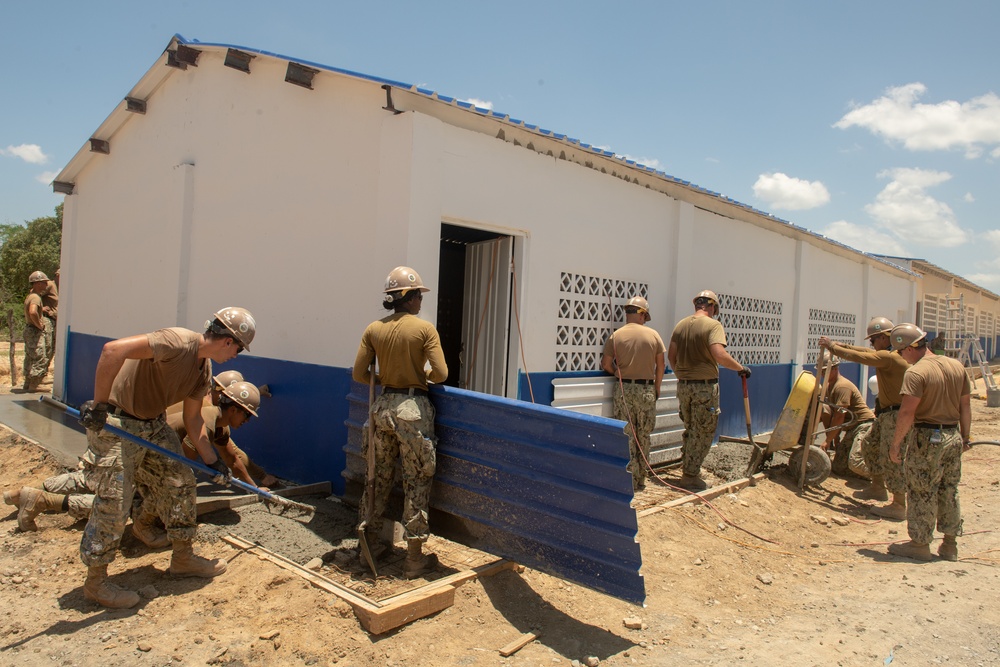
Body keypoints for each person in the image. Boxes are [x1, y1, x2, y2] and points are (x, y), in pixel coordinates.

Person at [75, 306, 256, 608]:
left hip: (153, 424)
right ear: (228, 341)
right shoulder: (176, 342)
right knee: (115, 498)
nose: (236, 355)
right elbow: (112, 351)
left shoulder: (205, 369)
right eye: (238, 348)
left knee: (180, 482)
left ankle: (183, 558)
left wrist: (212, 461)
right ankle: (96, 582)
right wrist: (99, 406)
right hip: (120, 423)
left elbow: (194, 419)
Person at [352, 266, 448, 579]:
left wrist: (386, 378)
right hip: (412, 409)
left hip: (381, 409)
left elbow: (359, 374)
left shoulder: (373, 329)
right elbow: (441, 373)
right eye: (418, 294)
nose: (421, 299)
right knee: (416, 480)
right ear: (407, 297)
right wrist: (419, 377)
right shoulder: (424, 329)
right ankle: (414, 559)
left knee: (376, 479)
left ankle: (368, 549)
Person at [886, 323, 971, 562]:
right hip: (953, 436)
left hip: (928, 438)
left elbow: (907, 413)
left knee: (922, 490)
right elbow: (965, 406)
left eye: (900, 351)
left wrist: (896, 444)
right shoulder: (956, 366)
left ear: (911, 347)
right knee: (949, 489)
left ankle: (920, 544)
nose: (901, 356)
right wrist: (966, 437)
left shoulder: (916, 373)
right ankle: (950, 544)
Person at [819, 316, 910, 517]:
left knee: (893, 456)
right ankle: (878, 488)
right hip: (884, 414)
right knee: (870, 445)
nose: (872, 344)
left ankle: (899, 504)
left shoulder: (891, 357)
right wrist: (841, 345)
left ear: (885, 338)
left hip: (895, 414)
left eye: (873, 340)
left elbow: (862, 357)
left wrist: (833, 347)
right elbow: (866, 352)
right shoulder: (887, 354)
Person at [667, 290, 750, 490]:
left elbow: (671, 356)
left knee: (690, 428)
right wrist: (741, 368)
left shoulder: (681, 325)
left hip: (684, 386)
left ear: (697, 304)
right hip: (704, 388)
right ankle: (690, 476)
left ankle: (689, 468)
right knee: (702, 432)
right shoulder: (713, 325)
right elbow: (719, 354)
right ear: (712, 307)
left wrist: (682, 375)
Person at [600, 296, 665, 492]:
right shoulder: (654, 335)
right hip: (646, 389)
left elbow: (605, 364)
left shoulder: (616, 336)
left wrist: (616, 372)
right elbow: (660, 365)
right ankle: (641, 479)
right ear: (643, 314)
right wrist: (657, 388)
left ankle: (627, 479)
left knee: (627, 434)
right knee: (643, 435)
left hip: (624, 389)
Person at [169, 381, 267, 489]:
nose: (247, 420)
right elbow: (183, 464)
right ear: (233, 410)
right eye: (247, 414)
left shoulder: (222, 427)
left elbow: (232, 460)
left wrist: (254, 489)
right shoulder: (206, 425)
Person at [817, 357, 875, 477]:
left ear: (835, 369)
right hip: (852, 428)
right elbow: (829, 413)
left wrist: (828, 441)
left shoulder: (842, 387)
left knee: (855, 462)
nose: (822, 374)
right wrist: (834, 437)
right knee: (839, 467)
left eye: (825, 371)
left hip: (864, 425)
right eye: (821, 371)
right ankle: (863, 475)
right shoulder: (829, 386)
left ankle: (879, 480)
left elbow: (839, 417)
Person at [21, 271, 51, 392]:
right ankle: (35, 385)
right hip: (34, 331)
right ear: (38, 284)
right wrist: (39, 325)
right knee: (39, 356)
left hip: (29, 330)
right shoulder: (36, 297)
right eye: (44, 283)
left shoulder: (31, 296)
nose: (46, 285)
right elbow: (33, 311)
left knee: (30, 356)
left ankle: (28, 383)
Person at [41, 271, 58, 371]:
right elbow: (34, 293)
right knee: (47, 347)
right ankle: (41, 374)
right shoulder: (50, 285)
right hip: (48, 319)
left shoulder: (60, 287)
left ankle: (45, 372)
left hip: (55, 321)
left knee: (52, 349)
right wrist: (41, 308)